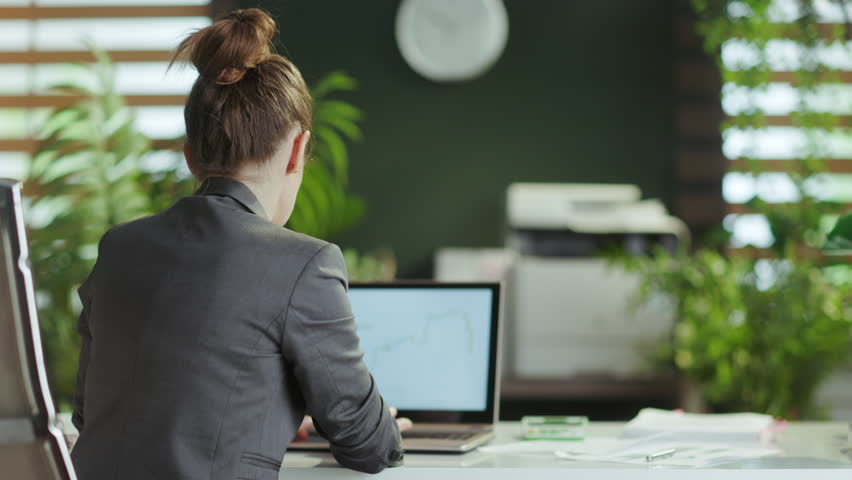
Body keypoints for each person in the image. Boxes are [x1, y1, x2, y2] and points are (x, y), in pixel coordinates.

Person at [70, 8, 407, 480]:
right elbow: (369, 446)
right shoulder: (306, 264)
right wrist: (380, 423)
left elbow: (89, 414)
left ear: (190, 158)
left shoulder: (119, 247)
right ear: (297, 151)